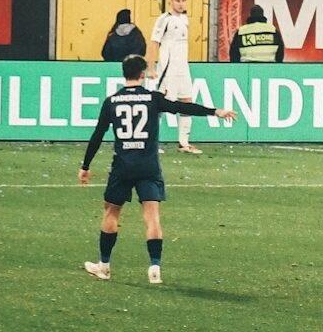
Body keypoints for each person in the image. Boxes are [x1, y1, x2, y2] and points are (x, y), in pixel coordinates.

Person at [79, 54, 236, 285]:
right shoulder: (153, 98)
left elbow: (97, 135)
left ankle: (104, 266)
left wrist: (85, 166)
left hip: (122, 165)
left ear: (124, 73)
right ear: (142, 74)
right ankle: (154, 267)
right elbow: (182, 107)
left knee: (111, 212)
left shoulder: (111, 101)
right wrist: (215, 111)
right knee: (152, 217)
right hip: (148, 166)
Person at [146, 0, 202, 154]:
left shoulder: (184, 19)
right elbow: (154, 43)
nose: (180, 4)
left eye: (183, 0)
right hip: (168, 68)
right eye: (177, 0)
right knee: (161, 105)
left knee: (187, 101)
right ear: (171, 1)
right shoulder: (164, 19)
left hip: (182, 67)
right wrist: (151, 67)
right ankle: (152, 142)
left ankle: (184, 143)